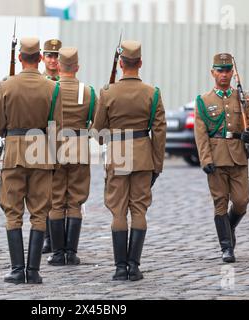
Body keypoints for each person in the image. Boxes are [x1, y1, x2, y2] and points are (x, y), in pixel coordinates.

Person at [92, 40, 166, 281]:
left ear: (121, 63)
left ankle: (119, 268)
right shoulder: (152, 93)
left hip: (118, 156)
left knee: (118, 212)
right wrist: (157, 164)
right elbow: (159, 132)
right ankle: (134, 267)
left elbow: (97, 130)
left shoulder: (107, 92)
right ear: (140, 63)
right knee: (139, 210)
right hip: (144, 156)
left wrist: (107, 142)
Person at [0, 37, 63, 284]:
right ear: (41, 59)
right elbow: (57, 127)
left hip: (13, 154)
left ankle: (16, 269)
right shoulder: (53, 88)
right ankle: (33, 271)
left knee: (13, 212)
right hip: (41, 153)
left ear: (20, 58)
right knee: (39, 212)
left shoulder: (6, 86)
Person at [194, 53, 249, 263]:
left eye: (227, 71)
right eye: (220, 71)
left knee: (241, 202)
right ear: (212, 73)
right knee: (220, 202)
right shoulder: (203, 101)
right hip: (216, 157)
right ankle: (227, 248)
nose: (224, 75)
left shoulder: (243, 98)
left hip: (239, 157)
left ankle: (228, 227)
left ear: (233, 73)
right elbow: (201, 134)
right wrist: (205, 160)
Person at [47, 47, 97, 266]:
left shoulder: (49, 88)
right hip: (79, 146)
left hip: (53, 146)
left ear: (58, 66)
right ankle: (71, 253)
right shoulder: (88, 91)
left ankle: (58, 254)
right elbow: (97, 122)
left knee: (56, 200)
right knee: (75, 201)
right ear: (77, 67)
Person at [41, 38, 62, 253]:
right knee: (44, 192)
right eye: (49, 55)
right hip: (41, 140)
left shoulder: (69, 82)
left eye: (56, 56)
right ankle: (47, 237)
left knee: (65, 193)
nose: (53, 60)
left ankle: (62, 239)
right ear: (42, 58)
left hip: (64, 141)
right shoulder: (38, 82)